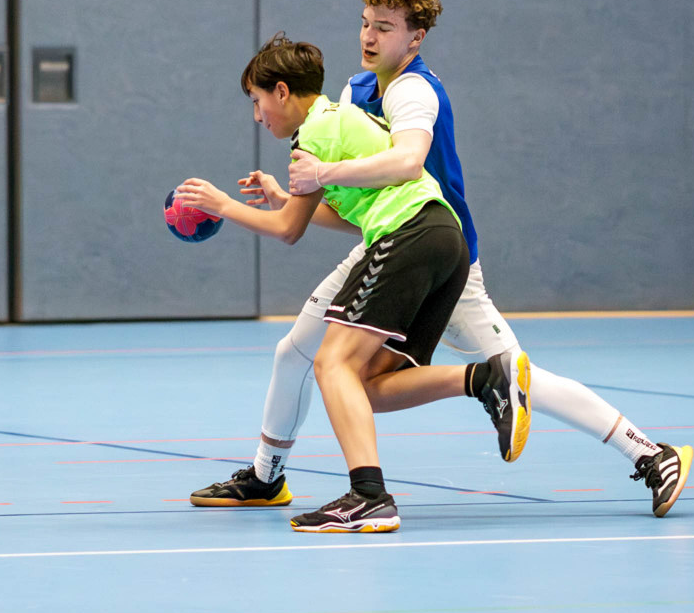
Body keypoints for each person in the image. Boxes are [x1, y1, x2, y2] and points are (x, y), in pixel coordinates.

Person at [232, 0, 689, 518]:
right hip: (385, 243)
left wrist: (319, 175)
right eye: (366, 22)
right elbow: (357, 207)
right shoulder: (354, 91)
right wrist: (291, 198)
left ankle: (650, 453)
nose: (369, 37)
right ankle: (265, 475)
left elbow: (407, 161)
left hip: (438, 253)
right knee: (298, 352)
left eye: (385, 27)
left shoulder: (414, 93)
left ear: (415, 38)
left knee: (517, 376)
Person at [175, 33, 529, 532]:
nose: (257, 116)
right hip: (442, 239)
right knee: (368, 387)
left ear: (282, 92)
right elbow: (351, 216)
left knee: (331, 362)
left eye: (257, 101)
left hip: (410, 234)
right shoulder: (337, 121)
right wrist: (283, 198)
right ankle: (484, 378)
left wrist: (223, 205)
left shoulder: (315, 135)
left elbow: (288, 232)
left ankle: (369, 496)